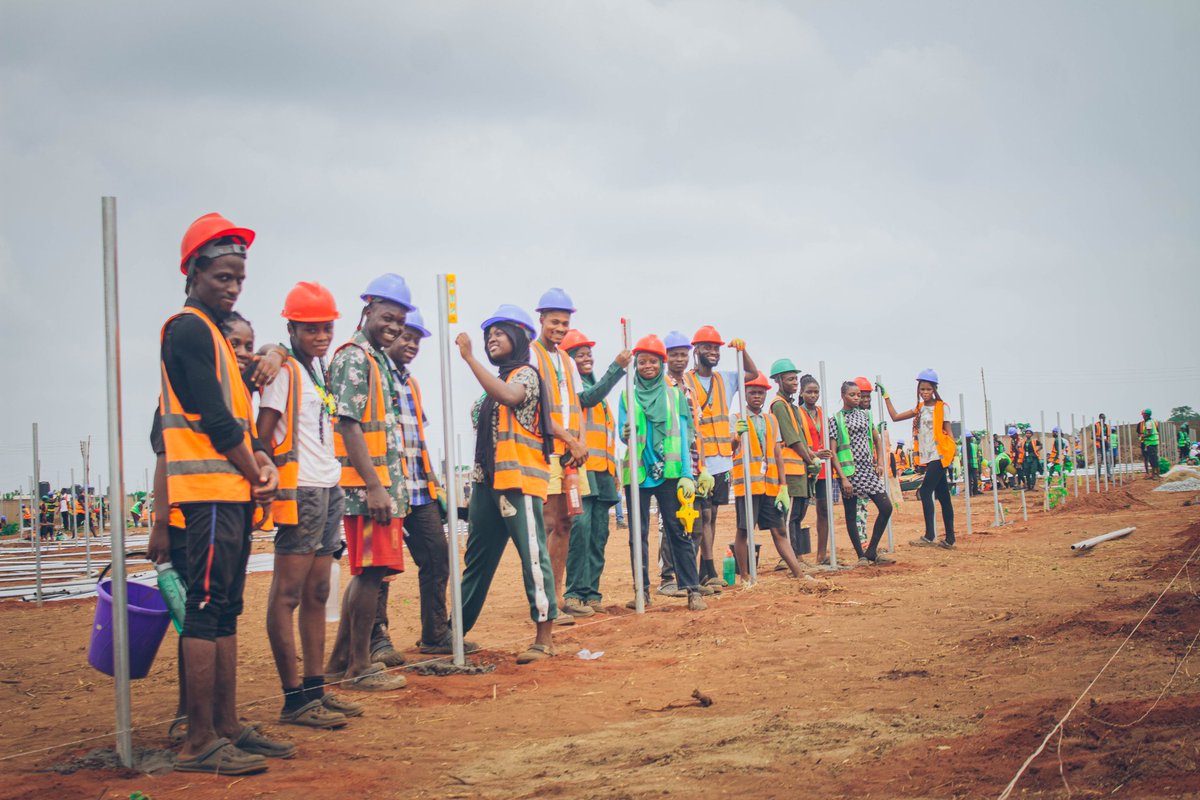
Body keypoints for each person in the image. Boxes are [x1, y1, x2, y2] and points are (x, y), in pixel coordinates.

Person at [160, 212, 289, 775]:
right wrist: (256, 467)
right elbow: (214, 419)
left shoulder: (216, 336)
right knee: (208, 611)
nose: (233, 286)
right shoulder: (187, 329)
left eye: (239, 277)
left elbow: (235, 416)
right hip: (208, 492)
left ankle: (226, 725)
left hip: (228, 490)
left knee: (226, 608)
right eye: (223, 277)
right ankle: (199, 740)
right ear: (192, 272)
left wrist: (257, 462)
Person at [258, 282, 352, 729]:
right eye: (311, 328)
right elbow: (264, 433)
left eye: (327, 327)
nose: (321, 335)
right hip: (301, 491)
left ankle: (316, 690)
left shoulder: (317, 372)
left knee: (318, 592)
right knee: (288, 594)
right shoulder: (286, 370)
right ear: (292, 327)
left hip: (328, 488)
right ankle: (293, 698)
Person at [324, 274, 413, 693]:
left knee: (372, 574)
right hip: (366, 491)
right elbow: (348, 424)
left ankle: (341, 662)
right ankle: (359, 667)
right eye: (387, 317)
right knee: (368, 574)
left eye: (399, 320)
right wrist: (375, 486)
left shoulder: (376, 360)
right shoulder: (355, 358)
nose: (394, 327)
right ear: (368, 310)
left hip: (379, 488)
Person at [456, 304, 559, 663]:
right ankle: (455, 633)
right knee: (477, 562)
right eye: (487, 336)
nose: (491, 339)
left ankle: (544, 638)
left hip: (517, 481)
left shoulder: (524, 376)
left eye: (499, 333)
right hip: (487, 483)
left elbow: (510, 397)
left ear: (517, 337)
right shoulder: (493, 386)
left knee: (533, 558)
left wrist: (470, 359)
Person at [375, 307, 475, 656]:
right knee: (381, 567)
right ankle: (377, 640)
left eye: (417, 339)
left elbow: (417, 439)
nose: (412, 344)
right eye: (406, 336)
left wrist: (436, 485)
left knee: (437, 557)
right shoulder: (374, 374)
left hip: (419, 490)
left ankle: (434, 634)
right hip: (386, 488)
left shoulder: (411, 384)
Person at [618, 335, 705, 610]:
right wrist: (625, 432)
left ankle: (692, 589)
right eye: (642, 362)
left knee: (678, 530)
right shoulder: (626, 394)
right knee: (638, 535)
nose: (647, 366)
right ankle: (641, 591)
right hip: (639, 474)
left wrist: (687, 475)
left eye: (652, 361)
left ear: (660, 363)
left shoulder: (674, 395)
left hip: (669, 473)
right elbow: (623, 433)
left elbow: (683, 433)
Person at [560, 329, 630, 617]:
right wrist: (617, 369)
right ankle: (574, 594)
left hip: (602, 473)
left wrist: (614, 466)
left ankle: (592, 593)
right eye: (580, 353)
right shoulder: (572, 387)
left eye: (588, 352)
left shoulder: (596, 390)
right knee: (581, 531)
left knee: (598, 535)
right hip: (581, 471)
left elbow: (603, 434)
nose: (586, 357)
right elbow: (587, 399)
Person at [528, 288, 588, 626]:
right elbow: (538, 408)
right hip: (544, 450)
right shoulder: (532, 355)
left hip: (567, 453)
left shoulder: (566, 360)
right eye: (555, 322)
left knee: (565, 522)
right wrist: (568, 440)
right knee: (550, 523)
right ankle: (545, 599)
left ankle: (557, 595)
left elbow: (573, 406)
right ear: (541, 320)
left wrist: (576, 443)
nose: (561, 328)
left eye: (565, 323)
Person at [684, 326, 758, 586]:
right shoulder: (686, 380)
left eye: (716, 347)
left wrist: (743, 350)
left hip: (721, 460)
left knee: (711, 515)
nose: (713, 352)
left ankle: (706, 570)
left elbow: (752, 374)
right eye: (707, 347)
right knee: (701, 516)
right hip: (697, 461)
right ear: (696, 350)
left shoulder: (725, 379)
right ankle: (708, 570)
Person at [731, 371, 803, 578]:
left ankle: (798, 573)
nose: (757, 396)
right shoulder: (736, 419)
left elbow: (777, 453)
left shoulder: (771, 420)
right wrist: (736, 436)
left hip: (770, 486)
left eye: (761, 393)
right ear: (745, 394)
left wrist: (783, 485)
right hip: (748, 485)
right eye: (753, 392)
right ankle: (745, 576)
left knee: (779, 530)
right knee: (744, 531)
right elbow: (729, 448)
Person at [881, 369, 956, 549]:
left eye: (928, 389)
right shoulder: (920, 409)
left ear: (934, 389)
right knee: (944, 496)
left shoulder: (942, 407)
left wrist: (952, 455)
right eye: (922, 389)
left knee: (925, 491)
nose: (925, 393)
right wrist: (886, 397)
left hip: (940, 455)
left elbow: (949, 432)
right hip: (929, 457)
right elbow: (895, 417)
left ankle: (930, 536)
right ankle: (950, 539)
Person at [829, 381, 895, 565]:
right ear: (843, 396)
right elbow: (833, 451)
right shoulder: (836, 419)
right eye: (853, 395)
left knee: (886, 507)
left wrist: (880, 462)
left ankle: (871, 551)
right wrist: (843, 478)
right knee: (851, 514)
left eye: (858, 395)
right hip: (849, 472)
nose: (857, 398)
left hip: (867, 470)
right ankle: (860, 555)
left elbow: (877, 440)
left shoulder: (866, 415)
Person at [659, 330, 704, 596]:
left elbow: (695, 428)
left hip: (692, 462)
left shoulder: (689, 387)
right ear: (666, 357)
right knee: (671, 523)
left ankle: (688, 576)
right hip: (671, 465)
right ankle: (667, 577)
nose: (679, 359)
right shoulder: (663, 385)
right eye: (674, 354)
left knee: (692, 521)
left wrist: (703, 466)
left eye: (683, 354)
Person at [768, 358, 813, 565]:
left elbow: (800, 437)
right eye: (790, 379)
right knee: (791, 515)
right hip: (789, 468)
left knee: (798, 514)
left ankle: (797, 556)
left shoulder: (791, 405)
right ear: (779, 380)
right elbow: (792, 438)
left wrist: (812, 454)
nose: (795, 382)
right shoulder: (779, 405)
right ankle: (791, 558)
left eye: (796, 378)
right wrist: (810, 457)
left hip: (799, 467)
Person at [794, 374, 834, 564]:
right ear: (801, 393)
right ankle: (797, 555)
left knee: (824, 510)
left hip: (823, 468)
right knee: (799, 512)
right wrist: (813, 453)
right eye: (809, 392)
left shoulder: (821, 412)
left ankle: (821, 555)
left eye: (816, 392)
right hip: (805, 465)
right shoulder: (797, 413)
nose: (813, 395)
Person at [1138, 409, 1159, 478]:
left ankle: (1154, 475)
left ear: (1146, 415)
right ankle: (1155, 474)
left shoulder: (1148, 423)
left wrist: (1142, 436)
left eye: (1143, 415)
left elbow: (1149, 433)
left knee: (1152, 459)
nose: (1142, 416)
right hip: (1153, 442)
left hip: (1151, 443)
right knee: (1154, 458)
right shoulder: (1152, 421)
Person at [1094, 414, 1112, 481]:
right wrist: (1100, 438)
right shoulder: (1096, 426)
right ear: (1099, 418)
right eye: (1102, 418)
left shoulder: (1107, 426)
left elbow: (1108, 436)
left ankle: (1108, 476)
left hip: (1106, 445)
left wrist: (1106, 440)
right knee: (1099, 462)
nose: (1103, 419)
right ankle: (1097, 477)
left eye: (1104, 418)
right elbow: (1093, 436)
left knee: (1107, 461)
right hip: (1099, 446)